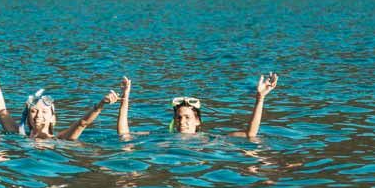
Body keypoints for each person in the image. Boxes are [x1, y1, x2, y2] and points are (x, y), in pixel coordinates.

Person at [0, 54, 120, 140]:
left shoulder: (60, 139)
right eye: (34, 111)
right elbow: (1, 108)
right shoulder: (19, 134)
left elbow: (82, 123)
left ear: (53, 118)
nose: (38, 115)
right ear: (28, 116)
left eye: (44, 111)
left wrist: (100, 105)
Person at [116, 72, 279, 139]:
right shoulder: (161, 138)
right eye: (179, 117)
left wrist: (260, 98)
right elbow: (124, 134)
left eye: (187, 117)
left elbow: (250, 134)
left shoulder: (209, 140)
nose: (182, 121)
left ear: (197, 121)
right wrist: (125, 99)